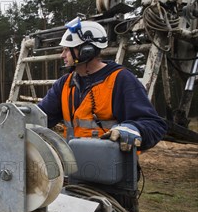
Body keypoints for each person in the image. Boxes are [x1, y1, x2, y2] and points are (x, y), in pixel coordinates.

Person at [38, 18, 167, 152]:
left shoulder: (120, 79)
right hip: (74, 164)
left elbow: (154, 125)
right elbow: (40, 116)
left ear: (86, 51)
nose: (62, 55)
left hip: (112, 167)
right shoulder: (65, 84)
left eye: (67, 50)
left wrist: (133, 129)